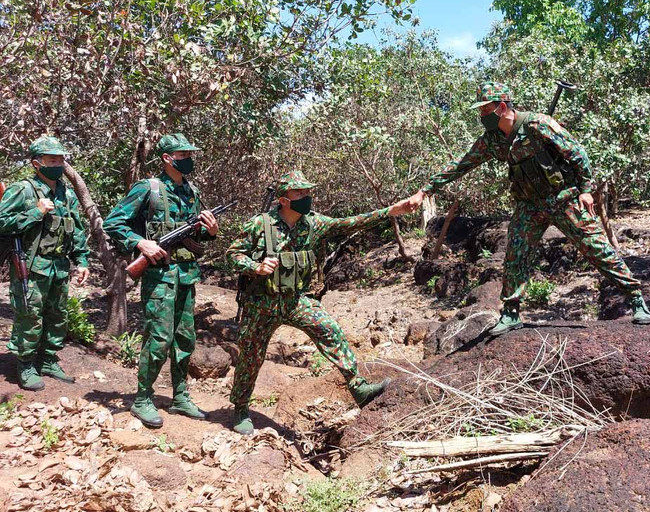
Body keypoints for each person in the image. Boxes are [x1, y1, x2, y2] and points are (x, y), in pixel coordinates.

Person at [406, 82, 650, 336]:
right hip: (529, 206)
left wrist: (586, 190)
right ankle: (511, 312)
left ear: (502, 107)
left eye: (485, 109)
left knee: (596, 247)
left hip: (563, 197)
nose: (481, 116)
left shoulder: (537, 124)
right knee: (516, 255)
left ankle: (635, 299)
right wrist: (424, 191)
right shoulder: (492, 141)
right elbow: (461, 164)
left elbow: (577, 154)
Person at [226, 170, 414, 435]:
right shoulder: (260, 224)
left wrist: (391, 211)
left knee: (330, 330)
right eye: (299, 193)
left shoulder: (314, 223)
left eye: (307, 192)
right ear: (283, 199)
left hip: (296, 300)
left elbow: (351, 222)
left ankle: (358, 388)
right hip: (261, 303)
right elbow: (232, 254)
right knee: (250, 356)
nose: (306, 197)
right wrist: (255, 266)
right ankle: (241, 409)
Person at [103, 133, 219, 428]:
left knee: (185, 338)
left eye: (190, 154)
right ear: (167, 158)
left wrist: (211, 230)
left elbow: (196, 235)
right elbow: (113, 223)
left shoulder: (191, 191)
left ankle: (180, 396)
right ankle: (142, 398)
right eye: (183, 155)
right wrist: (141, 243)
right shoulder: (148, 189)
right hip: (159, 276)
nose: (189, 159)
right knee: (158, 339)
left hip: (186, 276)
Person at [0, 136, 90, 390]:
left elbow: (77, 230)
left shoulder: (66, 193)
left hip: (59, 266)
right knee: (30, 316)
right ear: (36, 164)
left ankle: (48, 359)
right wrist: (35, 212)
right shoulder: (23, 189)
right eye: (52, 160)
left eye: (61, 159)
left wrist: (81, 260)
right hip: (30, 266)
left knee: (57, 316)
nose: (59, 164)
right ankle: (25, 364)